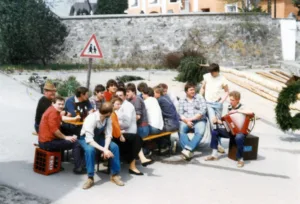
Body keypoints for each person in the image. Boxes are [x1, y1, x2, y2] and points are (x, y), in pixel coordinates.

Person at [79, 102, 124, 189]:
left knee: (114, 147)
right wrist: (104, 150)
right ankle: (90, 177)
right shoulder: (91, 118)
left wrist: (106, 148)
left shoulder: (108, 118)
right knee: (90, 150)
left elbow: (108, 135)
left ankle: (114, 175)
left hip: (98, 138)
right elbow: (89, 140)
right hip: (85, 139)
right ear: (109, 113)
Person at [205, 91, 254, 168]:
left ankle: (240, 159)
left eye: (232, 100)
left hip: (241, 131)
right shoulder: (229, 107)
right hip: (231, 130)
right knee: (215, 131)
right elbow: (228, 121)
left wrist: (237, 111)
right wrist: (218, 121)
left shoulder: (243, 106)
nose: (230, 102)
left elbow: (251, 112)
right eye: (230, 100)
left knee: (239, 137)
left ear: (238, 100)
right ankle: (214, 155)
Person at [38, 96, 85, 174]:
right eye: (59, 104)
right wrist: (65, 137)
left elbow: (62, 118)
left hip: (46, 140)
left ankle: (59, 163)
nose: (61, 106)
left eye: (62, 104)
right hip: (47, 143)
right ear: (53, 103)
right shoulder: (53, 113)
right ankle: (78, 168)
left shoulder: (53, 110)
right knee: (75, 143)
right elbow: (55, 131)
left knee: (71, 137)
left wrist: (74, 118)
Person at [115, 88, 154, 166]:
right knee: (136, 138)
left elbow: (126, 124)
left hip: (127, 131)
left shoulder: (127, 106)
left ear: (125, 96)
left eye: (121, 95)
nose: (119, 97)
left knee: (135, 139)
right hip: (125, 130)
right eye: (117, 95)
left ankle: (137, 160)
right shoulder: (119, 105)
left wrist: (115, 124)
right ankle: (142, 158)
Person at [200, 63, 229, 153]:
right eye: (210, 72)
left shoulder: (222, 79)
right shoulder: (206, 77)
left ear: (217, 71)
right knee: (213, 123)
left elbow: (227, 91)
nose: (211, 74)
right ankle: (217, 145)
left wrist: (221, 102)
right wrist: (200, 98)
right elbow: (203, 88)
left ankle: (217, 144)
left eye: (213, 72)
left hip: (218, 103)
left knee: (217, 126)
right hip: (208, 103)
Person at [178, 82, 207, 160]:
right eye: (191, 90)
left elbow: (203, 111)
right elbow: (180, 113)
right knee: (181, 129)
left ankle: (187, 149)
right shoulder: (182, 100)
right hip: (186, 120)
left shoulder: (199, 97)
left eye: (194, 90)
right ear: (186, 91)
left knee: (200, 131)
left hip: (199, 120)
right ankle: (188, 151)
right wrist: (186, 121)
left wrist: (190, 119)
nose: (193, 91)